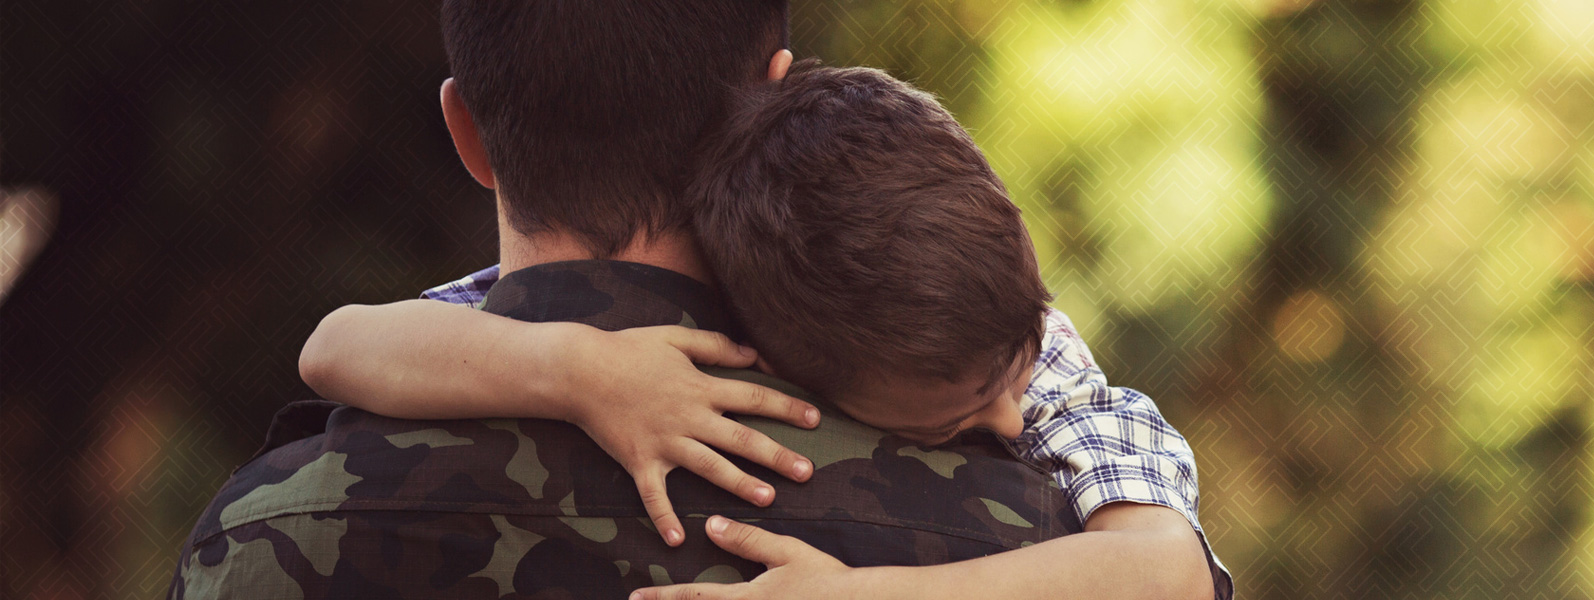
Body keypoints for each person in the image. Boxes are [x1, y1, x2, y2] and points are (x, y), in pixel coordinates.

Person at [169, 2, 1085, 598]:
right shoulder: (1026, 543)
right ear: (768, 99)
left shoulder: (259, 538)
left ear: (466, 129)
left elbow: (333, 346)